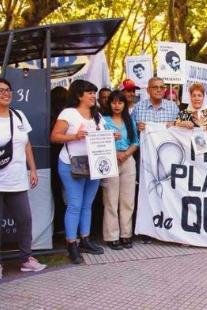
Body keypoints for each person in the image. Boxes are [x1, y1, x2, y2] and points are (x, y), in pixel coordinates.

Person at [51, 79, 105, 264]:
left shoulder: (97, 115)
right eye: (89, 92)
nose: (93, 95)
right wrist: (75, 136)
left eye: (94, 92)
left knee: (87, 204)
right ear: (78, 95)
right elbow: (55, 136)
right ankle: (71, 244)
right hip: (71, 164)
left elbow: (101, 137)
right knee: (75, 204)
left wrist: (111, 136)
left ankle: (85, 239)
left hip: (94, 164)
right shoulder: (69, 113)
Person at [0, 78, 46, 278]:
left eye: (7, 90)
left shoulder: (18, 115)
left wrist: (33, 169)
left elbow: (26, 145)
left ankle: (26, 259)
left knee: (25, 220)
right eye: (0, 90)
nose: (5, 93)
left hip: (17, 180)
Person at [131, 77, 179, 244]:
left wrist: (175, 126)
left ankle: (169, 225)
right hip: (146, 160)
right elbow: (131, 133)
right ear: (148, 90)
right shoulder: (138, 108)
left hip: (168, 159)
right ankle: (147, 229)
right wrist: (138, 129)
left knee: (169, 191)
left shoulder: (173, 108)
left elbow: (179, 133)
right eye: (155, 87)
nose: (159, 90)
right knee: (147, 190)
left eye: (162, 87)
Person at [102, 91, 139, 250]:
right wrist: (113, 150)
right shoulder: (103, 120)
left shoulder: (129, 120)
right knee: (110, 199)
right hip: (110, 159)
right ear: (109, 104)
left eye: (120, 102)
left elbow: (136, 142)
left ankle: (126, 234)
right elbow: (98, 141)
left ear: (125, 104)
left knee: (127, 200)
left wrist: (126, 154)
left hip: (127, 160)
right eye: (114, 102)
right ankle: (112, 236)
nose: (117, 106)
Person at [50, 86, 69, 233]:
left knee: (55, 192)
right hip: (66, 157)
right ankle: (64, 226)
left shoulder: (49, 115)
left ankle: (57, 225)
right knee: (68, 193)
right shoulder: (67, 115)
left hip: (51, 157)